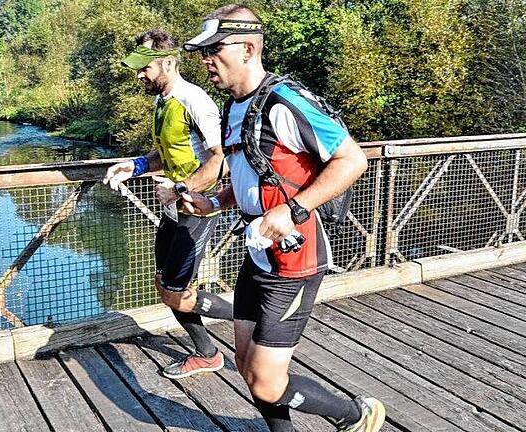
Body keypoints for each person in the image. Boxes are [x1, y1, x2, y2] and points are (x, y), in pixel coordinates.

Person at [180, 4, 385, 432]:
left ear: (249, 48)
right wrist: (213, 204)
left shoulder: (284, 101)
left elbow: (352, 159)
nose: (205, 60)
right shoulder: (236, 107)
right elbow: (251, 179)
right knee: (246, 366)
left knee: (267, 381)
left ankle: (355, 415)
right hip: (257, 256)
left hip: (294, 261)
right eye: (203, 52)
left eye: (214, 50)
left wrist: (294, 208)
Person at [103, 28, 233, 379]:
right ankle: (208, 352)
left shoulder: (195, 100)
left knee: (175, 290)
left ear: (169, 62)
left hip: (197, 208)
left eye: (145, 67)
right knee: (164, 284)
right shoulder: (162, 102)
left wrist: (178, 189)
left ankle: (250, 316)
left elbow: (219, 160)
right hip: (173, 209)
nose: (139, 74)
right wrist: (137, 165)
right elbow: (168, 153)